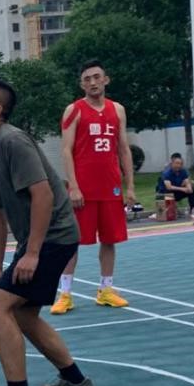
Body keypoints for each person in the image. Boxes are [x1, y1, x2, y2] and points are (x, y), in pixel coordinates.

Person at [0, 79, 96, 386]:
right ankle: (75, 380)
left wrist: (33, 252)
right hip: (37, 241)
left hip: (54, 236)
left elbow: (44, 195)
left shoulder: (13, 141)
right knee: (22, 314)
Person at [51, 60, 136, 314]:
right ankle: (65, 294)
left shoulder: (117, 110)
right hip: (83, 189)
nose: (93, 82)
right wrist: (73, 186)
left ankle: (106, 290)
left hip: (111, 187)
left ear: (105, 80)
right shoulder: (74, 110)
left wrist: (130, 186)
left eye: (97, 77)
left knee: (109, 239)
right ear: (82, 84)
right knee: (72, 241)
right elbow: (66, 150)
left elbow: (123, 149)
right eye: (87, 79)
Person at [158, 153, 194, 218]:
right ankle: (170, 211)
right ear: (172, 163)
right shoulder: (166, 173)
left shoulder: (183, 171)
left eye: (180, 164)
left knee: (191, 191)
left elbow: (187, 181)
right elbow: (169, 187)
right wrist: (183, 189)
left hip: (176, 192)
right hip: (164, 195)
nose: (179, 166)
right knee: (168, 191)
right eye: (177, 163)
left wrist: (189, 188)